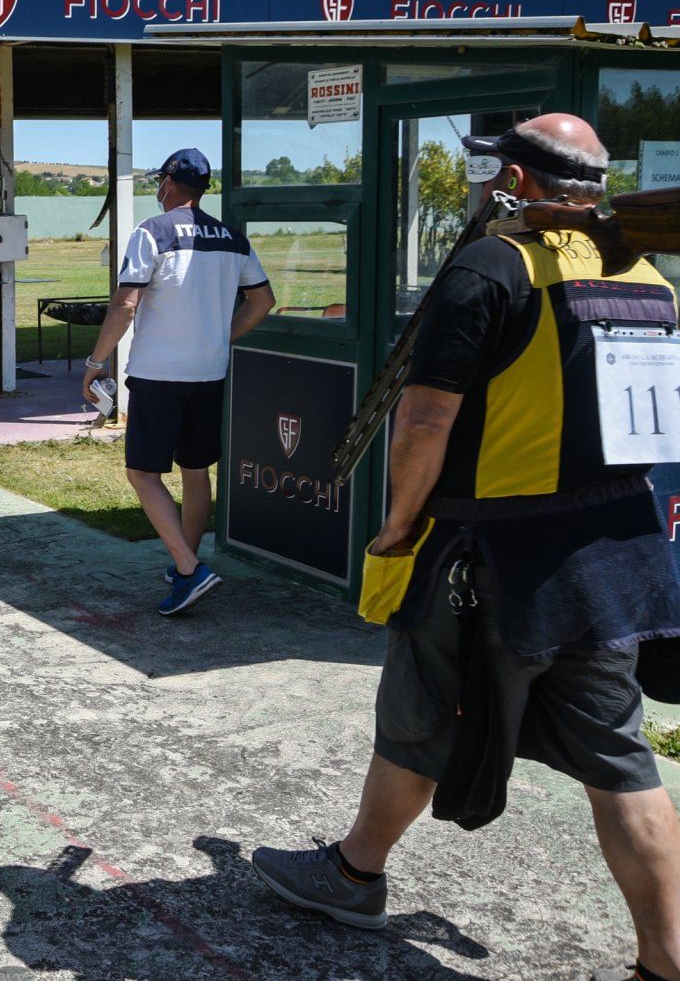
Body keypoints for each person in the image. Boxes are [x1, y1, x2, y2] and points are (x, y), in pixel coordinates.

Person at [251, 115, 680, 981]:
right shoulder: (648, 278)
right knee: (621, 763)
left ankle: (352, 877)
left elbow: (424, 420)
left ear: (515, 182)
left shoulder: (491, 267)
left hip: (491, 559)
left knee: (418, 722)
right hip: (615, 563)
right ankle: (668, 958)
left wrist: (398, 529)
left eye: (494, 174)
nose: (485, 187)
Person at [79, 148, 274, 616]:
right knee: (195, 470)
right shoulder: (232, 238)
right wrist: (221, 337)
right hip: (209, 372)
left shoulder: (153, 231)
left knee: (142, 473)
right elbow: (263, 301)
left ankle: (189, 570)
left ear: (168, 183)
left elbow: (126, 304)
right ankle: (187, 562)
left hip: (159, 375)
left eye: (159, 182)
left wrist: (95, 361)